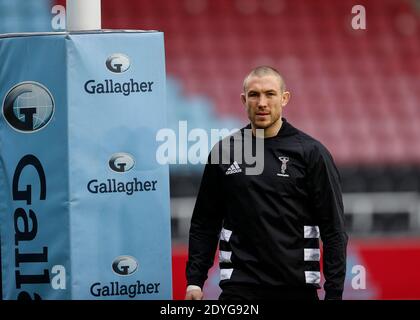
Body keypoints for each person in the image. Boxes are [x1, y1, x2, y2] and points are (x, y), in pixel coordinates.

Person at [185, 66, 348, 300]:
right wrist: (194, 281)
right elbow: (205, 223)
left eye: (270, 94)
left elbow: (333, 229)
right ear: (243, 99)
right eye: (254, 94)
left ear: (284, 98)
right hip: (239, 290)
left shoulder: (311, 153)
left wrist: (334, 293)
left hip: (296, 290)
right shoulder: (224, 152)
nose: (262, 102)